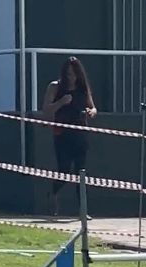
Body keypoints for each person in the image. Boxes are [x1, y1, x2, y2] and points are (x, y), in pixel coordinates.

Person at [41, 56, 97, 216]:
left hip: (80, 133)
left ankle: (82, 210)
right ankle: (53, 193)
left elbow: (93, 108)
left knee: (81, 172)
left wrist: (91, 112)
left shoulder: (82, 88)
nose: (71, 78)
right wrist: (61, 103)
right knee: (64, 170)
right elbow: (46, 110)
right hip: (62, 134)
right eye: (68, 74)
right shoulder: (55, 87)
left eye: (74, 74)